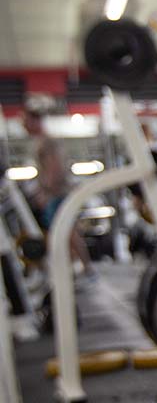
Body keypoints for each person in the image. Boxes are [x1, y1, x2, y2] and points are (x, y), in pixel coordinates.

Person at [23, 107, 97, 285]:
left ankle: (87, 271)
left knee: (67, 232)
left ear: (36, 121)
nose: (24, 125)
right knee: (62, 232)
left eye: (26, 121)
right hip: (55, 193)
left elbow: (55, 168)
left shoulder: (47, 142)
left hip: (57, 194)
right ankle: (72, 270)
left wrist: (45, 193)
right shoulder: (43, 141)